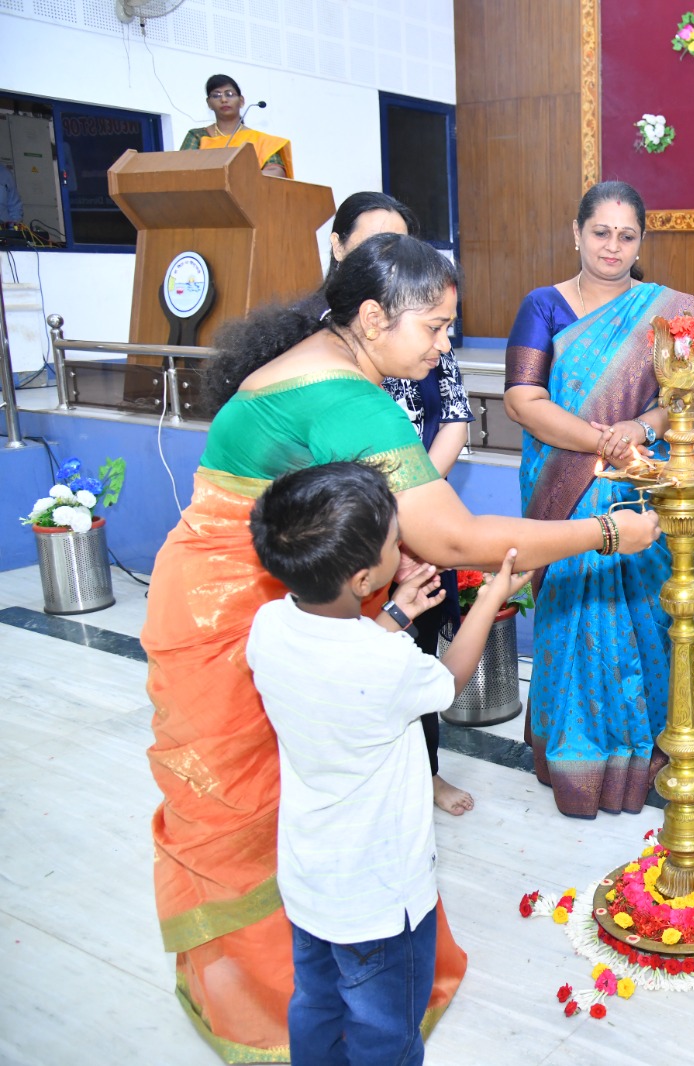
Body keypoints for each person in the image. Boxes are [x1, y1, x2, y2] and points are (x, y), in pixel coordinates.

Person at [141, 232, 659, 1059]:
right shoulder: (353, 402)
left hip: (224, 595)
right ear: (374, 317)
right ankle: (275, 1005)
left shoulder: (319, 362)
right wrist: (602, 532)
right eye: (437, 327)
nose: (446, 346)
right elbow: (453, 540)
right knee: (254, 805)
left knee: (295, 784)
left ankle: (299, 1007)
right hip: (230, 606)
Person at [247, 462, 530, 1066]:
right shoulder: (385, 664)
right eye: (395, 541)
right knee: (385, 1032)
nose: (403, 547)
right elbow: (447, 682)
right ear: (362, 577)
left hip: (310, 881)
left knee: (316, 1003)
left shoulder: (268, 626)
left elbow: (343, 664)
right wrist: (491, 599)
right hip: (381, 898)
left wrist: (395, 615)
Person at [502, 179, 694, 819]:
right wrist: (604, 441)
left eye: (627, 235)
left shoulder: (668, 315)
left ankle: (646, 758)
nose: (612, 246)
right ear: (576, 233)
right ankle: (580, 760)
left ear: (641, 242)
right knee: (576, 617)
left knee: (647, 620)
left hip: (640, 490)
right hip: (566, 489)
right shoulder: (543, 306)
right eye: (600, 232)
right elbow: (522, 400)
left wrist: (642, 429)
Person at [310, 191, 478, 817]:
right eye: (373, 242)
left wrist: (415, 503)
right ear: (338, 248)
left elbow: (454, 418)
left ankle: (422, 772)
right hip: (348, 530)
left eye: (402, 243)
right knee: (349, 667)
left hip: (416, 516)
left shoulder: (428, 333)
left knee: (413, 655)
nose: (389, 255)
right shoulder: (320, 344)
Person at [179, 73, 291, 178]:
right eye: (216, 95)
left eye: (229, 94)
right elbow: (181, 170)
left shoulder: (262, 141)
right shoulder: (198, 136)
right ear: (209, 103)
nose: (223, 99)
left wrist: (240, 177)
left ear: (241, 101)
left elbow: (276, 172)